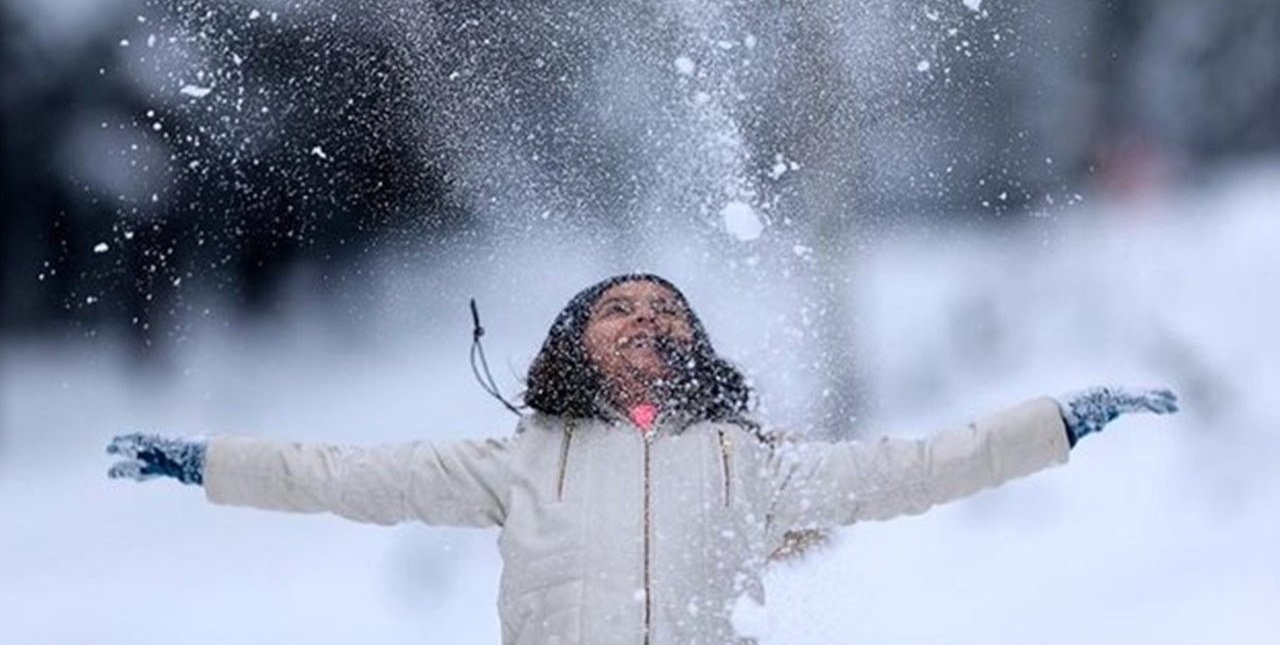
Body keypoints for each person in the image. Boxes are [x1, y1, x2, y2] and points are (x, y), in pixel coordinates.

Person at [107, 273, 1177, 645]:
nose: (642, 319)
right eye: (615, 308)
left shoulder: (747, 466)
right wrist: (205, 462)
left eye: (665, 310)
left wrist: (1059, 422)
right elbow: (339, 474)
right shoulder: (518, 462)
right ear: (573, 344)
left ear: (693, 346)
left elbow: (919, 466)